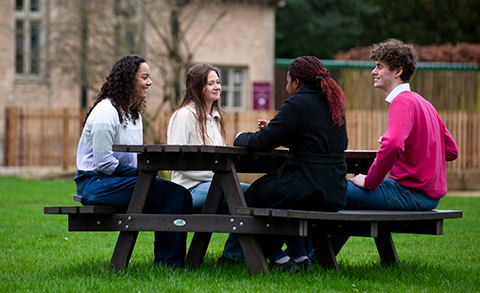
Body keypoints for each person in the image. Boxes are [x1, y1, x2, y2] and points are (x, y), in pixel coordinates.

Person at [330, 39, 459, 255]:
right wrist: (411, 145)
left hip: (409, 193)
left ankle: (302, 258)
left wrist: (369, 181)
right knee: (345, 198)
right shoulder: (424, 103)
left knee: (328, 190)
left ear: (397, 71)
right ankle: (318, 261)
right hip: (426, 196)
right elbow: (450, 150)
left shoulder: (402, 102)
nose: (373, 72)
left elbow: (392, 145)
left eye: (379, 66)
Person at [74, 55, 192, 268]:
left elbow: (133, 159)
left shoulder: (133, 115)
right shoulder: (105, 113)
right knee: (172, 194)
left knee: (181, 194)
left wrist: (147, 174)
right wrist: (142, 175)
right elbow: (104, 164)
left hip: (117, 181)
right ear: (129, 79)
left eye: (149, 77)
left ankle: (174, 262)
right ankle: (168, 265)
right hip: (95, 185)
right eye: (144, 77)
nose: (150, 82)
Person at [234, 56, 349, 272]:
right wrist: (278, 129)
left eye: (287, 81)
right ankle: (300, 256)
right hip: (334, 191)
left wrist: (240, 137)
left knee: (251, 196)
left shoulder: (296, 103)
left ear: (296, 82)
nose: (287, 86)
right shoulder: (334, 104)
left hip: (305, 187)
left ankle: (279, 259)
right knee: (277, 197)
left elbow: (262, 142)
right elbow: (315, 141)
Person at [167, 63, 249, 264]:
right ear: (197, 87)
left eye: (218, 82)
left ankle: (235, 255)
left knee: (256, 194)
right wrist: (218, 177)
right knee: (246, 194)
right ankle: (235, 257)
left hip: (217, 185)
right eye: (210, 83)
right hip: (188, 189)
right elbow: (174, 160)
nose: (217, 87)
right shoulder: (184, 116)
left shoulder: (216, 118)